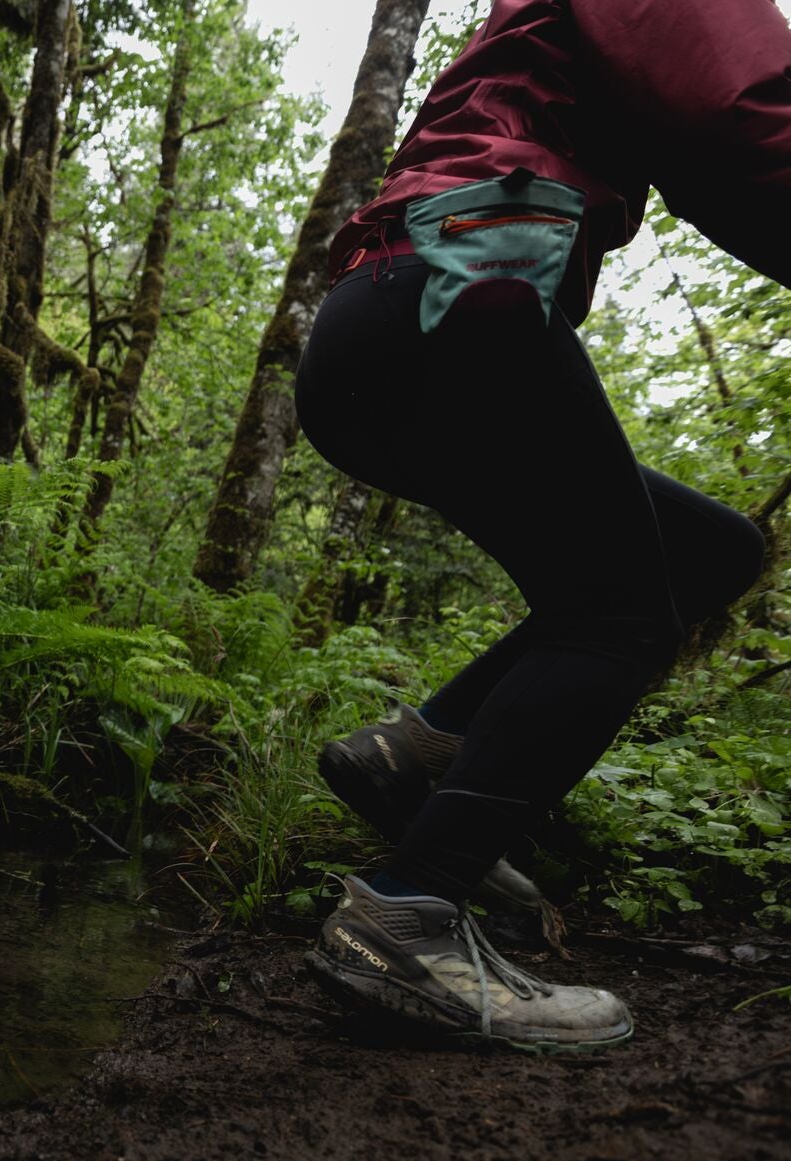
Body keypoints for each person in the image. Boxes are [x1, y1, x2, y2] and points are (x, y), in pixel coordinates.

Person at [296, 0, 789, 1051]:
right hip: (458, 290)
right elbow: (750, 117)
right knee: (617, 617)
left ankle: (411, 755)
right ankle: (406, 914)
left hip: (386, 319)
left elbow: (708, 159)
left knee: (710, 551)